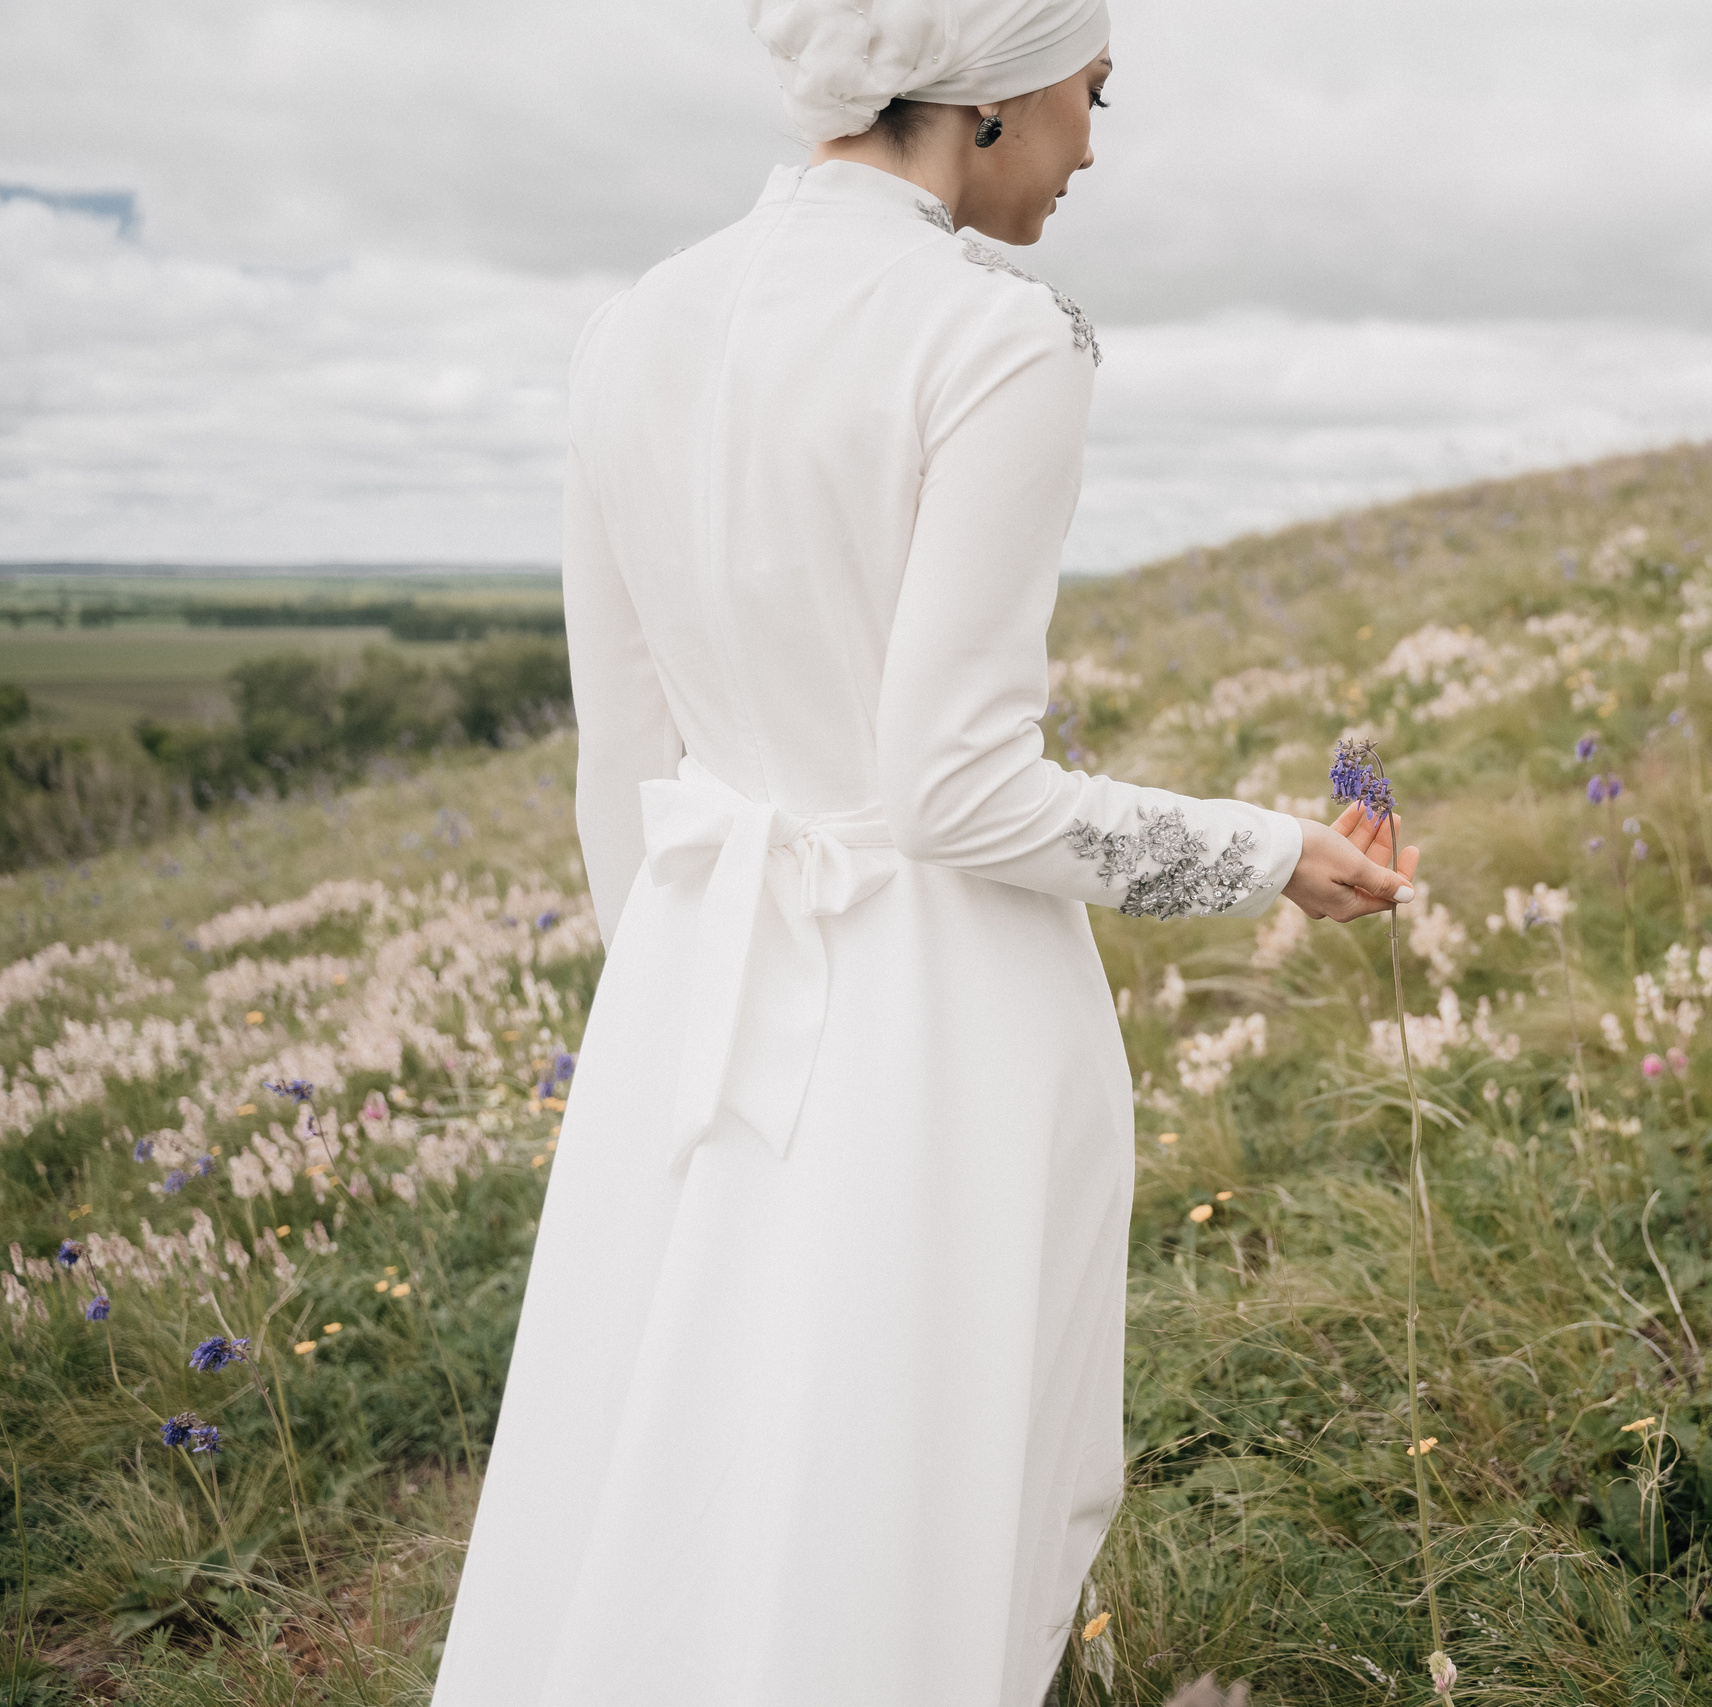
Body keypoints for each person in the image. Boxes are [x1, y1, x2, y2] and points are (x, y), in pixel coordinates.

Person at [429, 1, 1419, 1701]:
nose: (1093, 144)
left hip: (690, 992)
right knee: (917, 1484)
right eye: (1095, 94)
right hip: (933, 1012)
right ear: (1002, 90)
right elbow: (954, 791)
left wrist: (670, 1015)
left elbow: (626, 759)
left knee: (684, 1469)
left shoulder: (631, 329)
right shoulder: (995, 337)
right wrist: (1264, 854)